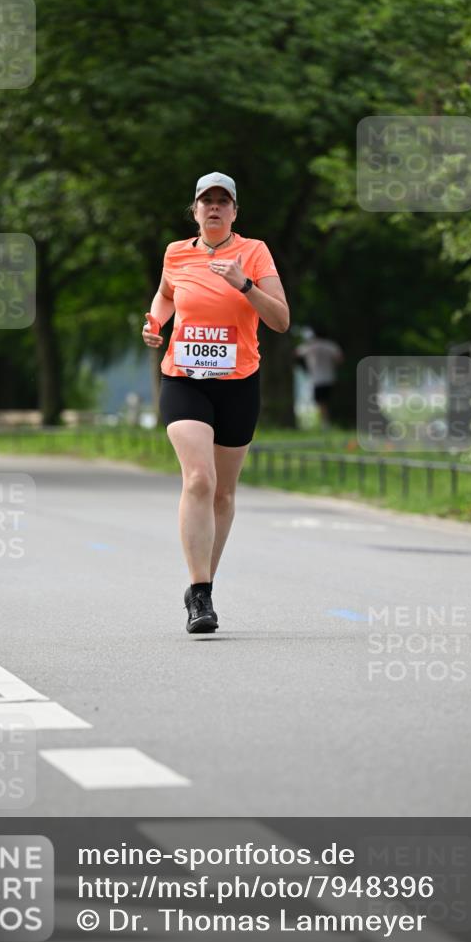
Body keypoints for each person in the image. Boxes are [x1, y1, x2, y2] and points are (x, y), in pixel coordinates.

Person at [142, 172, 290, 634]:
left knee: (223, 492)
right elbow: (165, 295)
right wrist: (155, 323)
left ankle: (203, 584)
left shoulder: (254, 252)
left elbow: (281, 320)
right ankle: (200, 592)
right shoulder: (175, 253)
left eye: (223, 201)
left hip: (238, 382)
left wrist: (245, 285)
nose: (214, 207)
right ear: (195, 209)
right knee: (200, 479)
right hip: (183, 378)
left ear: (234, 212)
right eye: (206, 200)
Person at [294, 327, 343, 426]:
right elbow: (339, 359)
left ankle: (325, 423)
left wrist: (304, 366)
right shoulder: (330, 345)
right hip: (329, 376)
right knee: (327, 401)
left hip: (316, 378)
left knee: (321, 402)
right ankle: (327, 422)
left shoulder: (310, 346)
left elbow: (296, 353)